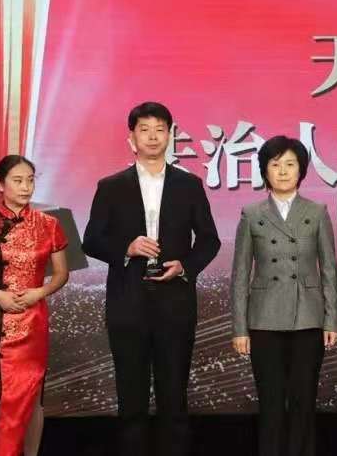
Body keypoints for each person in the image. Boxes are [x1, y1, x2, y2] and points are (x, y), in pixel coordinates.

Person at [82, 102, 220, 456]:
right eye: (144, 129)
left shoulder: (189, 185)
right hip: (127, 307)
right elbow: (91, 240)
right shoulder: (111, 186)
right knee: (131, 402)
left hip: (175, 306)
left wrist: (185, 266)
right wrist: (126, 248)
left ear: (170, 135)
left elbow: (209, 240)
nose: (153, 136)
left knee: (174, 401)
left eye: (160, 129)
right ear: (131, 138)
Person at [230, 135, 337, 456]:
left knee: (304, 401)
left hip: (308, 317)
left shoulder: (317, 211)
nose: (282, 171)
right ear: (265, 171)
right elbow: (240, 273)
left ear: (301, 170)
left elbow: (329, 269)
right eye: (275, 164)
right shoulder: (251, 213)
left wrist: (331, 320)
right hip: (264, 319)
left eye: (290, 164)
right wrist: (239, 328)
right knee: (271, 402)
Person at [0, 155, 69, 456]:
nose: (25, 187)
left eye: (30, 180)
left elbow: (61, 274)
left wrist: (39, 292)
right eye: (18, 180)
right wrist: (0, 296)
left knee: (31, 395)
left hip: (33, 321)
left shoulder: (50, 225)